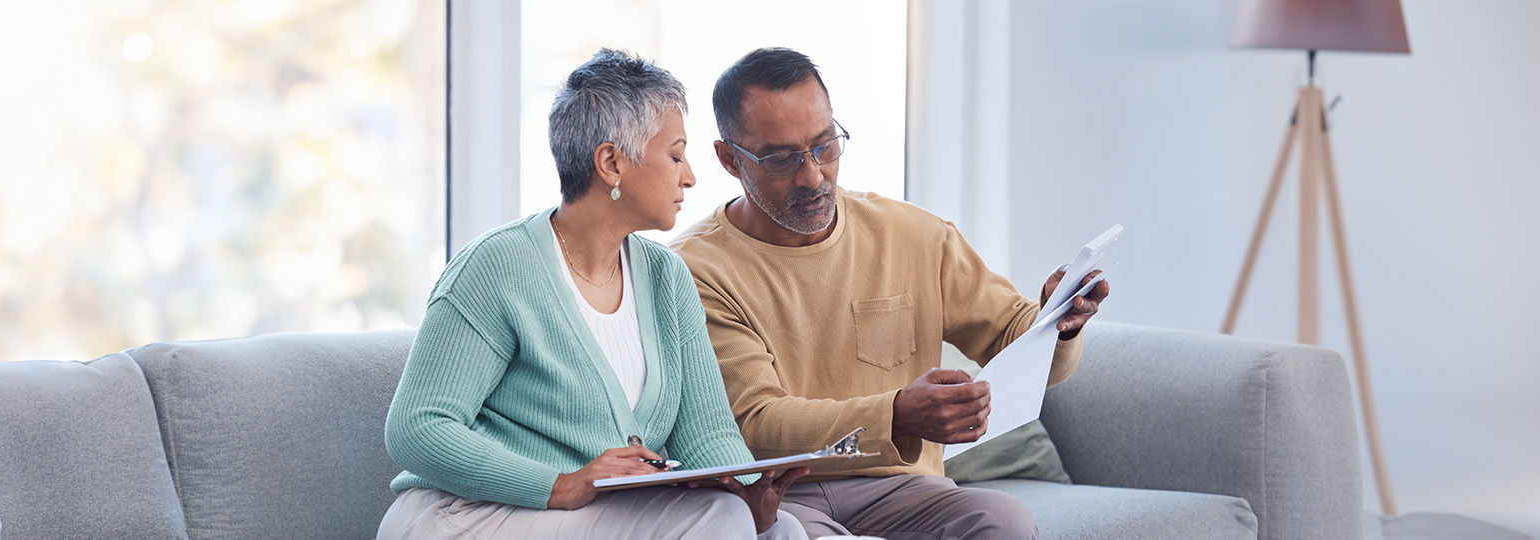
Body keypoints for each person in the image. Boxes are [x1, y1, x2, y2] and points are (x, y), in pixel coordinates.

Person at [667, 47, 1111, 540]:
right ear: (730, 159)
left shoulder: (915, 235)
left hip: (903, 487)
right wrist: (896, 412)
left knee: (1004, 521)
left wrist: (1058, 323)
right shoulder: (694, 269)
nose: (813, 175)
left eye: (825, 145)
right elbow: (758, 425)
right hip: (782, 493)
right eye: (781, 159)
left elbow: (1018, 343)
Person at [379, 49, 808, 540]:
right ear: (611, 163)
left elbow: (706, 433)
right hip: (466, 514)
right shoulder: (497, 268)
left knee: (781, 531)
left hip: (585, 518)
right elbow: (418, 427)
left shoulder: (667, 277)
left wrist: (751, 490)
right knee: (723, 522)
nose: (689, 175)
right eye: (674, 154)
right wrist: (561, 484)